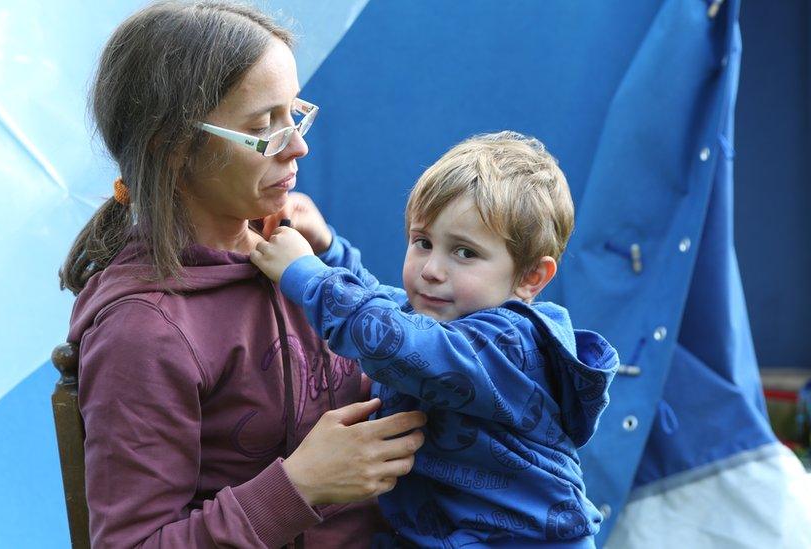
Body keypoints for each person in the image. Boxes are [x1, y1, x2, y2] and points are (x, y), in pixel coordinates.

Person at [59, 2, 426, 547]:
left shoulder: (288, 252)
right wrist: (299, 486)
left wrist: (331, 256)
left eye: (294, 113)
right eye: (263, 129)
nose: (298, 146)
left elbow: (396, 340)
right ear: (174, 150)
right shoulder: (144, 332)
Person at [251, 132, 621, 547]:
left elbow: (396, 342)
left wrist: (307, 275)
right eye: (423, 242)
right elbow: (386, 307)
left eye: (464, 253)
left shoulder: (510, 346)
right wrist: (330, 249)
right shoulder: (445, 318)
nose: (431, 269)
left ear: (530, 278)